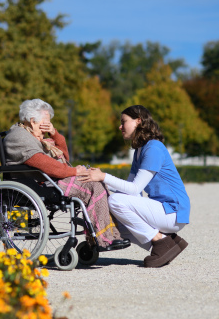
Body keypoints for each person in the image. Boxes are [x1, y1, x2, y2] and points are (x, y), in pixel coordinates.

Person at [3, 99, 128, 249]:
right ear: (32, 121)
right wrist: (75, 171)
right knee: (94, 185)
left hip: (49, 181)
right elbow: (45, 164)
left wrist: (54, 132)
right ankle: (103, 239)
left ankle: (107, 236)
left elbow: (64, 157)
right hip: (41, 185)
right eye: (46, 123)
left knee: (97, 181)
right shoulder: (20, 137)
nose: (47, 126)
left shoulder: (38, 138)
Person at [77, 105, 190, 268]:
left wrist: (103, 176)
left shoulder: (154, 148)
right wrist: (99, 184)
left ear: (138, 121)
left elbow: (135, 189)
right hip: (164, 210)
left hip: (173, 211)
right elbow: (129, 188)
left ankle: (160, 242)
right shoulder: (140, 150)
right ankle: (170, 241)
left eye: (124, 122)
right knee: (114, 225)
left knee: (116, 202)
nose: (120, 126)